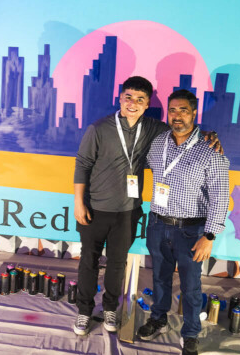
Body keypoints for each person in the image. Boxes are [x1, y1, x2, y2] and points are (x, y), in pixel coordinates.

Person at [72, 77, 221, 336]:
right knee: (89, 262)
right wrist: (78, 203)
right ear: (120, 98)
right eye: (128, 97)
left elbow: (184, 130)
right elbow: (82, 164)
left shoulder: (155, 128)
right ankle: (84, 312)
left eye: (140, 99)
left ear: (147, 104)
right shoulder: (99, 128)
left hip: (128, 211)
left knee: (118, 264)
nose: (133, 103)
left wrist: (210, 135)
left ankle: (109, 308)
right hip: (95, 208)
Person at [136, 89, 230, 355]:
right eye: (173, 110)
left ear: (194, 113)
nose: (177, 116)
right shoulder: (158, 142)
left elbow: (221, 197)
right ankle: (158, 319)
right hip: (157, 223)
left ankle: (190, 334)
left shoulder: (210, 150)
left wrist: (209, 236)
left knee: (191, 286)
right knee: (160, 279)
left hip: (191, 230)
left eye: (183, 110)